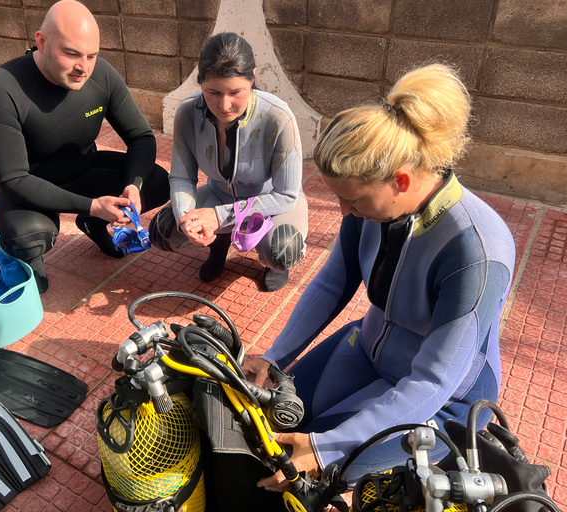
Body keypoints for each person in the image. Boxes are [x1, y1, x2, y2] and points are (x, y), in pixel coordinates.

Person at [244, 63, 516, 489]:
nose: (344, 212)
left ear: (401, 181)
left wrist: (324, 449)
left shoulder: (476, 251)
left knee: (318, 477)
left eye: (352, 200)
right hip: (368, 348)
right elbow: (332, 282)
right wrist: (274, 358)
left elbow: (433, 378)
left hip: (445, 400)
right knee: (267, 418)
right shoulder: (369, 205)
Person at [0, 0, 169, 293]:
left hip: (82, 169)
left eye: (92, 55)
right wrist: (93, 205)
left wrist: (133, 185)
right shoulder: (3, 88)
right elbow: (12, 178)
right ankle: (32, 265)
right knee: (29, 236)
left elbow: (141, 136)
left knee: (157, 183)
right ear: (41, 42)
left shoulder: (101, 75)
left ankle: (92, 224)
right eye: (71, 54)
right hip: (25, 187)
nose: (84, 67)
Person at [149, 32, 308, 292]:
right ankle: (218, 243)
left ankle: (270, 262)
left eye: (236, 92)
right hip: (219, 194)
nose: (224, 105)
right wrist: (186, 220)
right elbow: (181, 177)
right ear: (200, 82)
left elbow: (286, 195)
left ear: (253, 77)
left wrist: (218, 216)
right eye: (213, 92)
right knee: (164, 230)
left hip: (270, 203)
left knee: (283, 250)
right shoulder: (188, 113)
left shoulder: (278, 117)